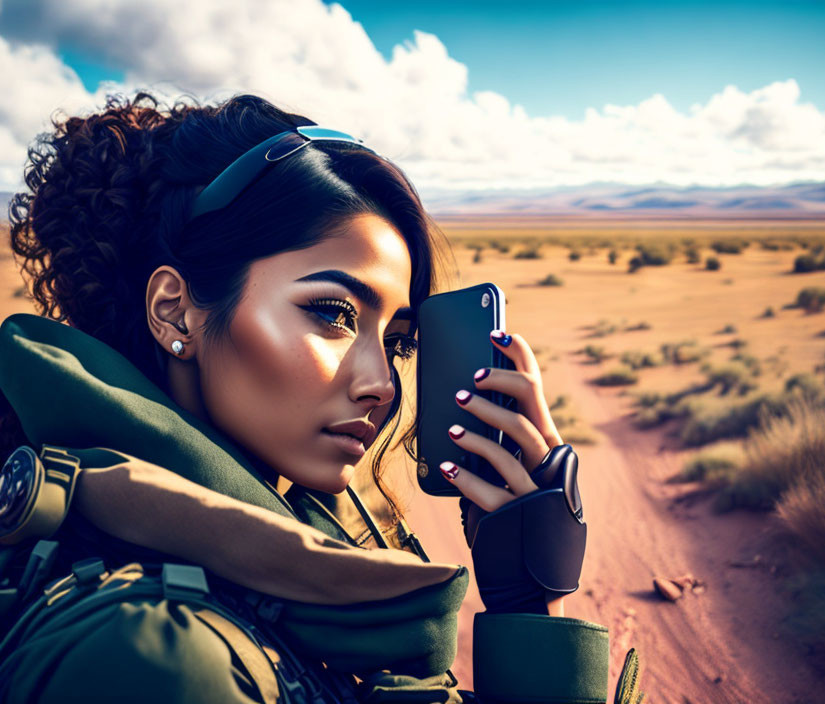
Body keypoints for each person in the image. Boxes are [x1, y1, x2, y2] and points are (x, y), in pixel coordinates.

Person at [0, 92, 643, 703]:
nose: (384, 385)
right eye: (333, 314)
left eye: (396, 343)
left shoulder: (275, 565)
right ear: (176, 314)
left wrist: (528, 603)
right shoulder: (161, 660)